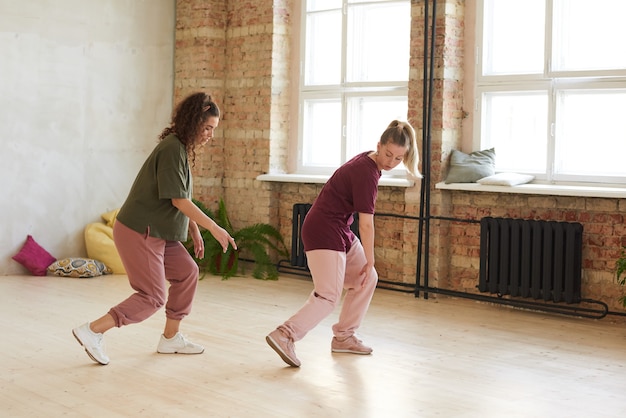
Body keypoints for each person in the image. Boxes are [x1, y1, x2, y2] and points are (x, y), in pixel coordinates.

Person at [72, 92, 237, 365]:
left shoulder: (181, 148)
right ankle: (92, 331)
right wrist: (214, 228)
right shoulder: (172, 149)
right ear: (194, 122)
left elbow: (181, 195)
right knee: (151, 296)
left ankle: (170, 339)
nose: (210, 135)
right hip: (141, 231)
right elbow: (179, 200)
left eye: (213, 129)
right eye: (207, 127)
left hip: (158, 232)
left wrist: (194, 230)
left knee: (187, 272)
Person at [266, 120, 420, 367]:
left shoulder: (370, 162)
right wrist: (370, 259)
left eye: (398, 159)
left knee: (367, 279)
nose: (391, 162)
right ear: (378, 146)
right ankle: (285, 335)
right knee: (328, 295)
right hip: (323, 230)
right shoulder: (367, 172)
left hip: (339, 229)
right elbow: (367, 224)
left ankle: (344, 337)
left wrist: (368, 267)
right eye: (388, 154)